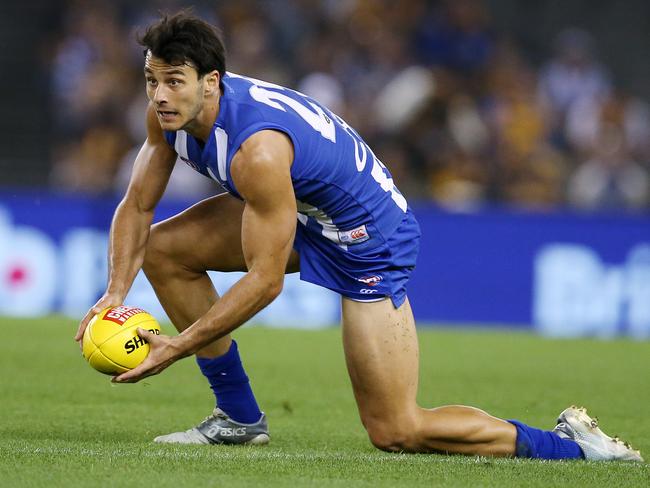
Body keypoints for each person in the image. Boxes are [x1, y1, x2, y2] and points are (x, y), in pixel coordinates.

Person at [74, 11, 642, 461]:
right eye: (152, 81)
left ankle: (568, 445)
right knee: (167, 250)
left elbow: (265, 281)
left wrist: (176, 347)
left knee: (396, 430)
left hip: (369, 238)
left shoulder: (257, 150)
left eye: (174, 82)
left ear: (211, 82)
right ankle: (238, 419)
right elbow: (137, 205)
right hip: (305, 213)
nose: (160, 96)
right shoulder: (168, 113)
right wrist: (114, 294)